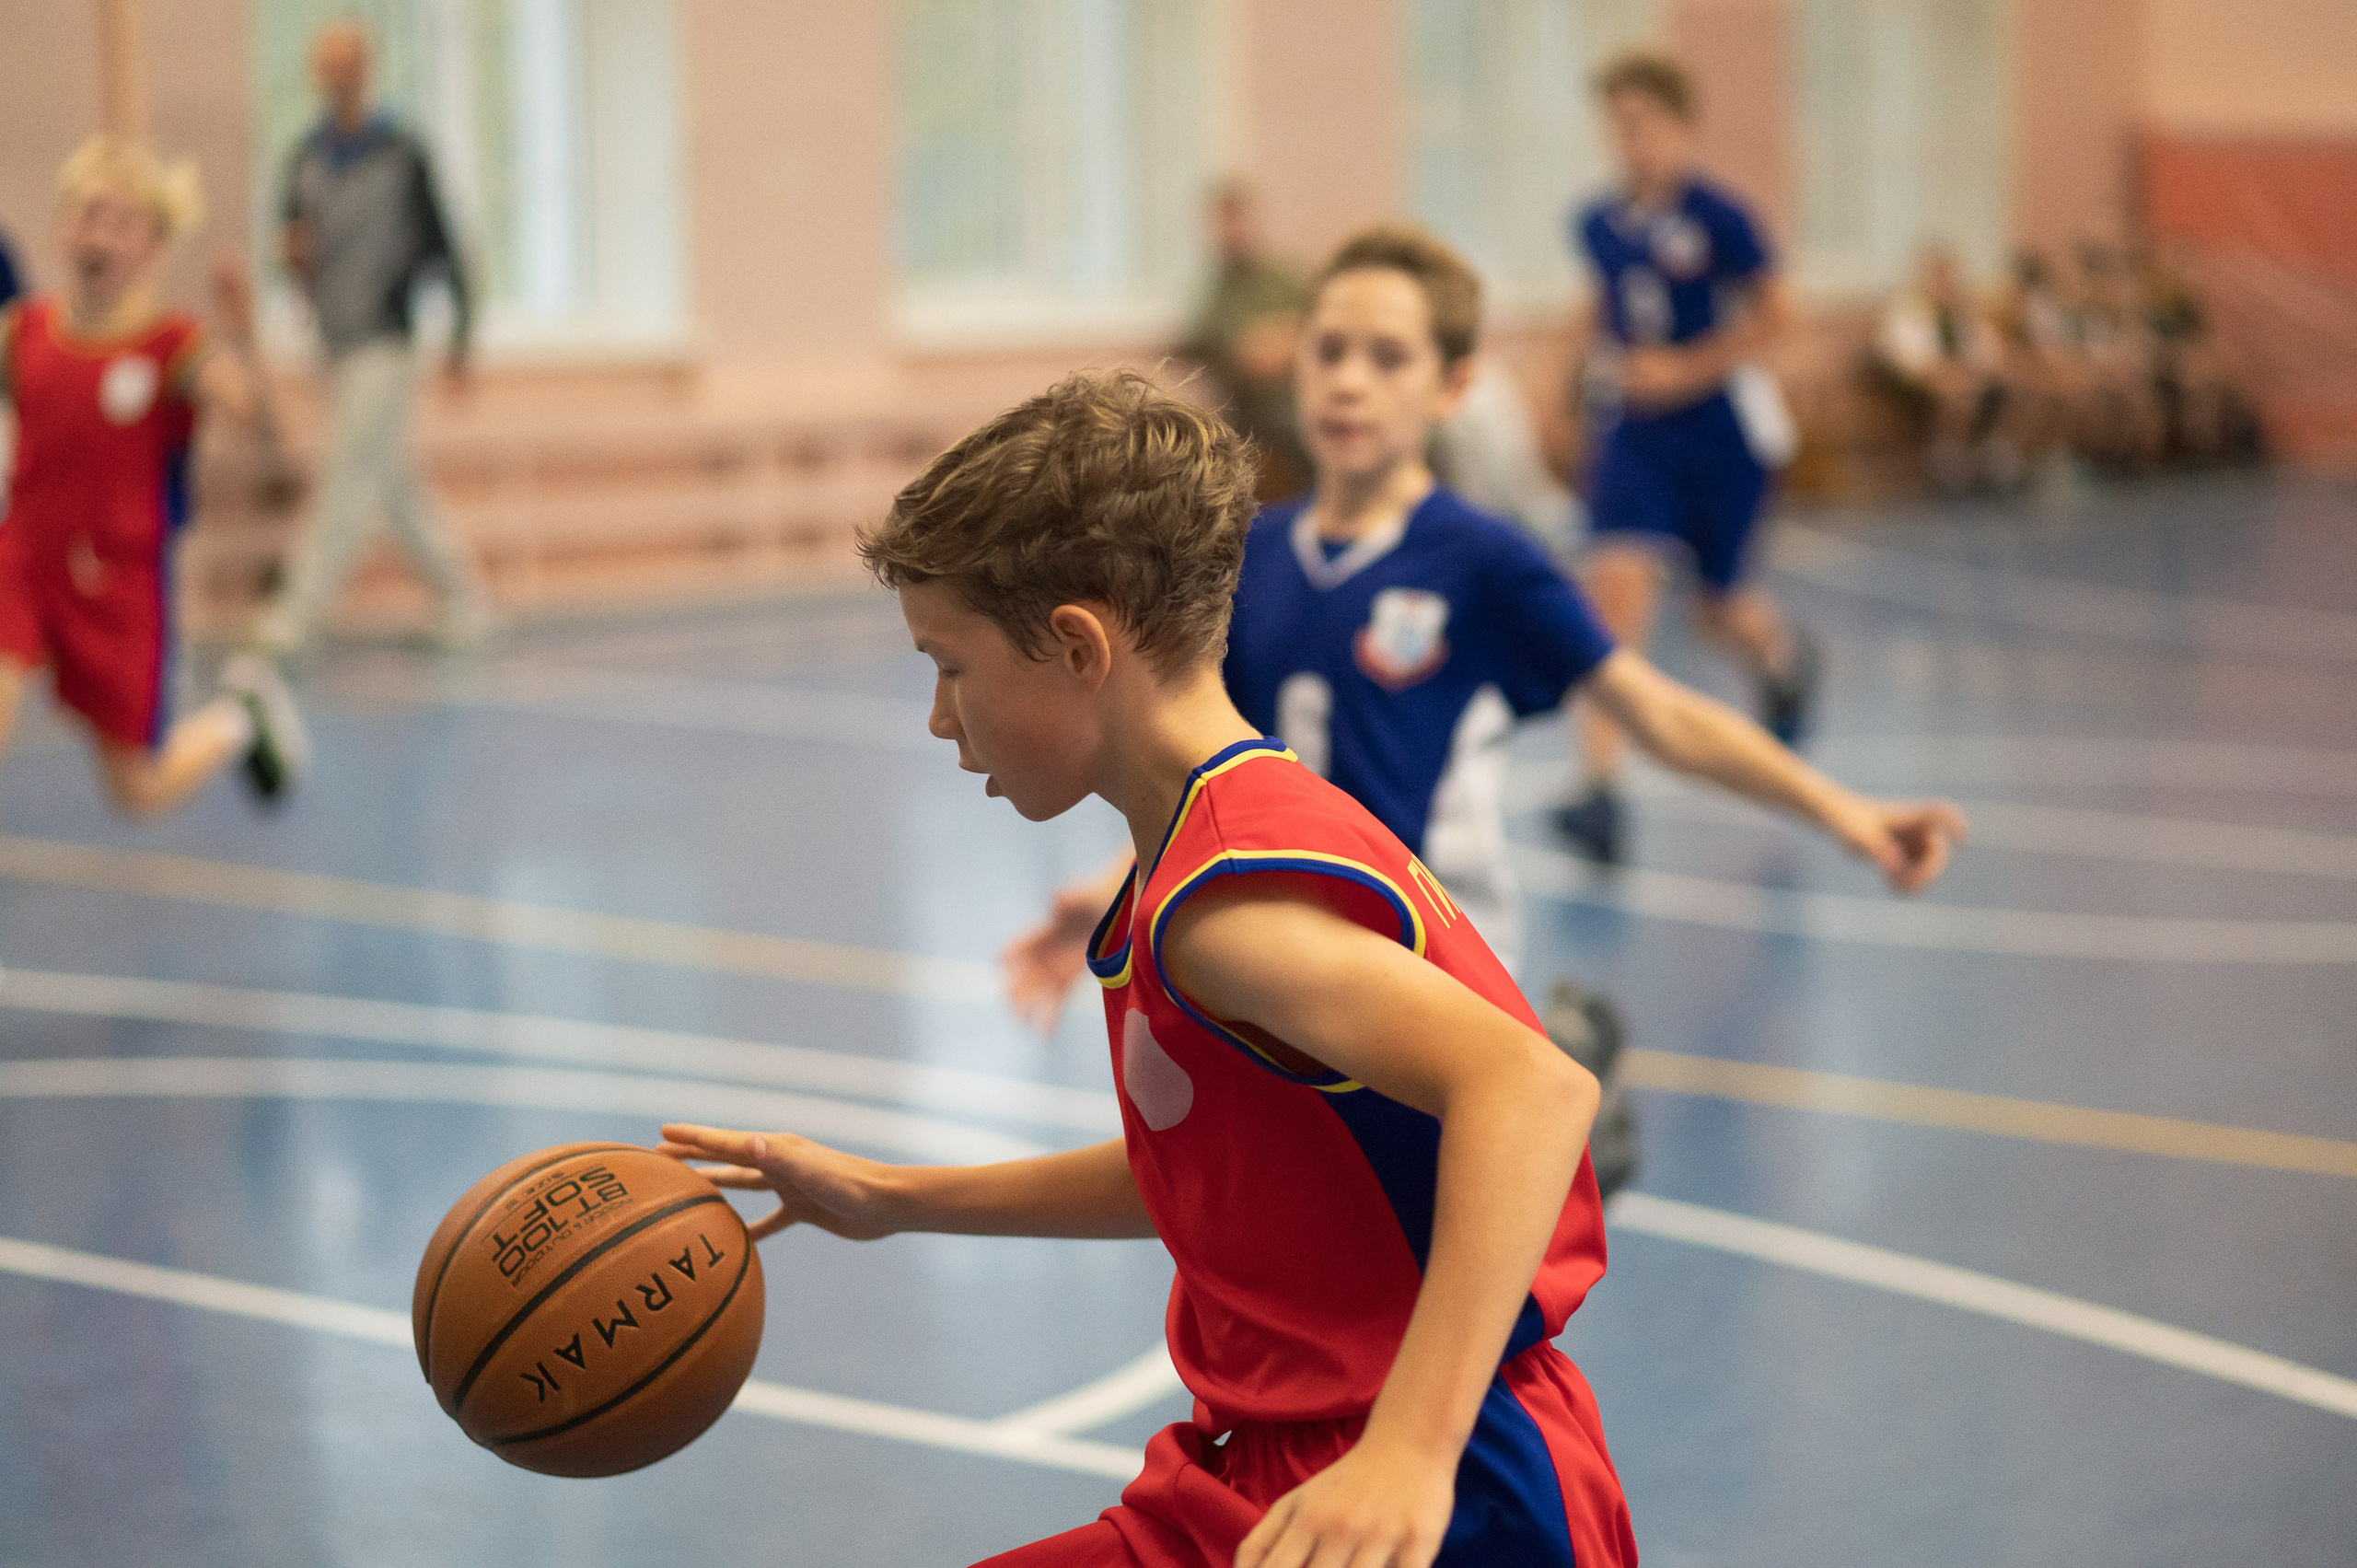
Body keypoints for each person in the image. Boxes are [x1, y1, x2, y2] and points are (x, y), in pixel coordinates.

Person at [661, 370, 1640, 1568]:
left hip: (1431, 1488)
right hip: (1261, 1464)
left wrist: (1411, 1450)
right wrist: (890, 1195)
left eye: (951, 664)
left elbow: (1534, 1088)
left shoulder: (1226, 910)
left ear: (1077, 643)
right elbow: (1213, 1174)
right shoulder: (1203, 839)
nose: (936, 715)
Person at [1011, 226, 1960, 990]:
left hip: (1439, 961)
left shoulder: (1484, 561)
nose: (1348, 379)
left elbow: (1655, 712)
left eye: (1388, 357)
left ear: (1453, 384)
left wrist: (1847, 814)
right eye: (1329, 350)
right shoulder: (1249, 556)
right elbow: (1216, 773)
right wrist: (1111, 891)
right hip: (1296, 961)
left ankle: (1562, 1066)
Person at [0, 136, 307, 816]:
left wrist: (247, 333)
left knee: (138, 793)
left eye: (119, 222)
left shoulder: (173, 348)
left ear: (152, 249)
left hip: (118, 583)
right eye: (86, 215)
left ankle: (237, 719)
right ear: (59, 229)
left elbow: (258, 417)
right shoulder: (22, 333)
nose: (98, 234)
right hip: (23, 558)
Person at [1561, 52, 1813, 865]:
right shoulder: (1597, 221)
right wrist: (1568, 376)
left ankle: (1781, 660)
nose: (1633, 141)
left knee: (1718, 610)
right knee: (1613, 601)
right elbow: (1608, 303)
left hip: (1717, 437)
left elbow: (1776, 315)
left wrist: (1688, 368)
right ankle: (1601, 793)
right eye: (1621, 125)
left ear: (1681, 129)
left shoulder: (1720, 217)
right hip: (1633, 435)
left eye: (1648, 124)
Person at [250, 18, 491, 661]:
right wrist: (295, 271)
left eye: (345, 64)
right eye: (324, 66)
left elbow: (449, 250)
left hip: (386, 339)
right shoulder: (304, 158)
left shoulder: (403, 152)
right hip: (332, 338)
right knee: (388, 480)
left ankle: (295, 619)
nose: (335, 78)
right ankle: (463, 601)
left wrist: (462, 342)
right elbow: (292, 249)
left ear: (367, 69)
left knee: (347, 475)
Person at [1179, 180, 1313, 501]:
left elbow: (1314, 327)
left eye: (1234, 219)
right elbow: (1204, 345)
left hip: (1290, 411)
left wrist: (1283, 343)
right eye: (1220, 222)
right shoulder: (1214, 290)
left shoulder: (1282, 277)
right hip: (1243, 414)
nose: (1228, 230)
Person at [1874, 241, 2021, 494]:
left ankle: (1987, 451)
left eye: (1952, 278)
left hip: (1962, 377)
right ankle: (1948, 458)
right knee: (1954, 392)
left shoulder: (1962, 314)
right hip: (1914, 385)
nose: (1948, 285)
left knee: (1999, 385)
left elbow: (1986, 350)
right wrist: (1943, 374)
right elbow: (1905, 359)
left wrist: (1979, 370)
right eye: (1941, 278)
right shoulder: (1908, 310)